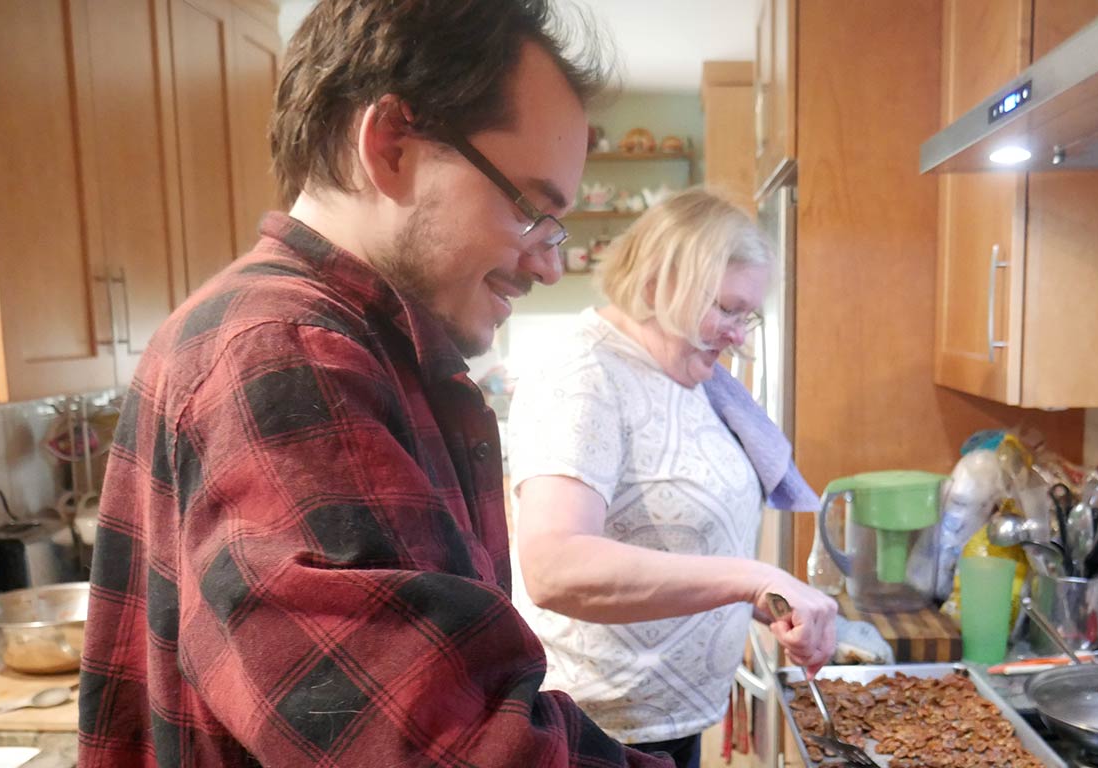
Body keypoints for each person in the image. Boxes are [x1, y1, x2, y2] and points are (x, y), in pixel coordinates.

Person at [77, 2, 671, 766]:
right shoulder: (286, 354)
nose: (549, 262)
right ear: (390, 144)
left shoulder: (349, 345)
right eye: (531, 208)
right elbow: (441, 748)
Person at [506, 189, 838, 767]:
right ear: (660, 284)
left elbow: (682, 537)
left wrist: (769, 600)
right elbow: (554, 568)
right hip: (597, 735)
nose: (740, 334)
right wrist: (751, 578)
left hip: (665, 723)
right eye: (728, 308)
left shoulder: (689, 374)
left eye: (747, 315)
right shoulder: (586, 374)